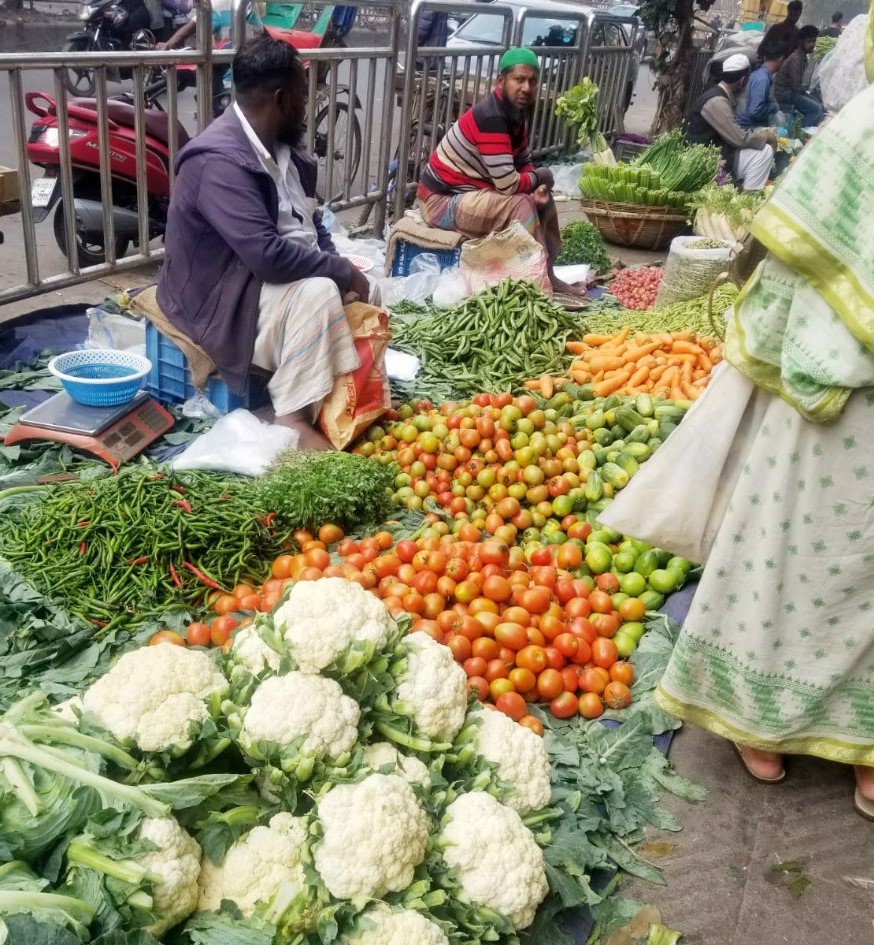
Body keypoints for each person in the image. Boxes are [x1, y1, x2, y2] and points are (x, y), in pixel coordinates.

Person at [601, 76, 874, 817]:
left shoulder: (856, 129)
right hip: (848, 396)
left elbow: (788, 254)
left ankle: (771, 726)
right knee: (831, 560)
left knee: (788, 549)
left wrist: (768, 345)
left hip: (831, 383)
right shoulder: (861, 129)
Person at [156, 36, 374, 449]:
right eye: (303, 95)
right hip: (220, 295)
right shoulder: (218, 162)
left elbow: (312, 225)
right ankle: (290, 417)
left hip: (261, 278)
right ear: (280, 98)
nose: (308, 105)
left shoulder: (286, 152)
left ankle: (334, 398)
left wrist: (342, 267)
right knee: (320, 293)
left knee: (366, 290)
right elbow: (266, 257)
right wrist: (339, 272)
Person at [416, 48, 586, 298]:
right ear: (501, 81)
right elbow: (508, 185)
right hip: (440, 202)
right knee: (521, 205)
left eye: (532, 81)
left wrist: (536, 184)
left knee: (542, 198)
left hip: (473, 193)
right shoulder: (492, 117)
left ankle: (548, 274)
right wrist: (541, 176)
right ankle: (538, 288)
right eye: (519, 80)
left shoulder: (515, 115)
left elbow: (524, 163)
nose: (526, 88)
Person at [685, 54, 777, 191]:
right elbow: (739, 139)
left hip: (712, 150)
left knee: (758, 148)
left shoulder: (720, 95)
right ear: (742, 80)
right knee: (765, 151)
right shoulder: (716, 101)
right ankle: (749, 194)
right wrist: (765, 138)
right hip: (701, 157)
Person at [774, 25, 824, 125]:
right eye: (809, 41)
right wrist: (808, 96)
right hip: (783, 93)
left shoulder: (802, 57)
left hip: (790, 91)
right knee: (816, 109)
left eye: (814, 41)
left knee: (819, 104)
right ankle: (801, 132)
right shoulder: (797, 59)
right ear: (801, 42)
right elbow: (796, 87)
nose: (812, 45)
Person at [736, 42, 787, 127]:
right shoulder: (763, 79)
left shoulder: (760, 73)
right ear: (782, 59)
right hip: (747, 126)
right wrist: (773, 106)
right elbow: (755, 111)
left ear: (765, 57)